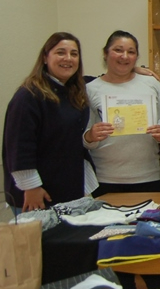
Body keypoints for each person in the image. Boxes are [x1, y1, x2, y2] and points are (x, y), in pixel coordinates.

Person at [83, 30, 160, 289]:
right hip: (107, 180)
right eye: (118, 50)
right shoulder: (90, 89)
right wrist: (91, 136)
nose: (124, 56)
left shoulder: (150, 84)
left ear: (137, 56)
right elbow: (83, 135)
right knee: (115, 243)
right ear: (106, 54)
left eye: (131, 52)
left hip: (147, 176)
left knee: (151, 241)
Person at [3, 32, 96, 212]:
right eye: (60, 52)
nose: (68, 58)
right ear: (45, 57)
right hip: (37, 195)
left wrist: (137, 71)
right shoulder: (29, 96)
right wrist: (31, 187)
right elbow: (19, 146)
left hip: (67, 191)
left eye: (74, 54)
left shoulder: (72, 92)